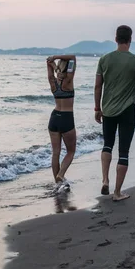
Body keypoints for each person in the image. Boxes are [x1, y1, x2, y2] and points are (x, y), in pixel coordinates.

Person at [94, 25, 135, 201]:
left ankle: (105, 179)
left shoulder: (104, 59)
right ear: (130, 39)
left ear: (116, 38)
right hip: (127, 111)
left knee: (107, 144)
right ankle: (117, 193)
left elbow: (98, 86)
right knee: (124, 151)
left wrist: (97, 108)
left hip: (108, 110)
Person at [46, 55, 77, 191]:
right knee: (71, 151)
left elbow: (49, 66)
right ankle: (61, 175)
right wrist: (57, 57)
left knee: (56, 153)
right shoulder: (68, 80)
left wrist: (51, 63)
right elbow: (73, 58)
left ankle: (57, 184)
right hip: (66, 117)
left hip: (54, 117)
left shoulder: (53, 81)